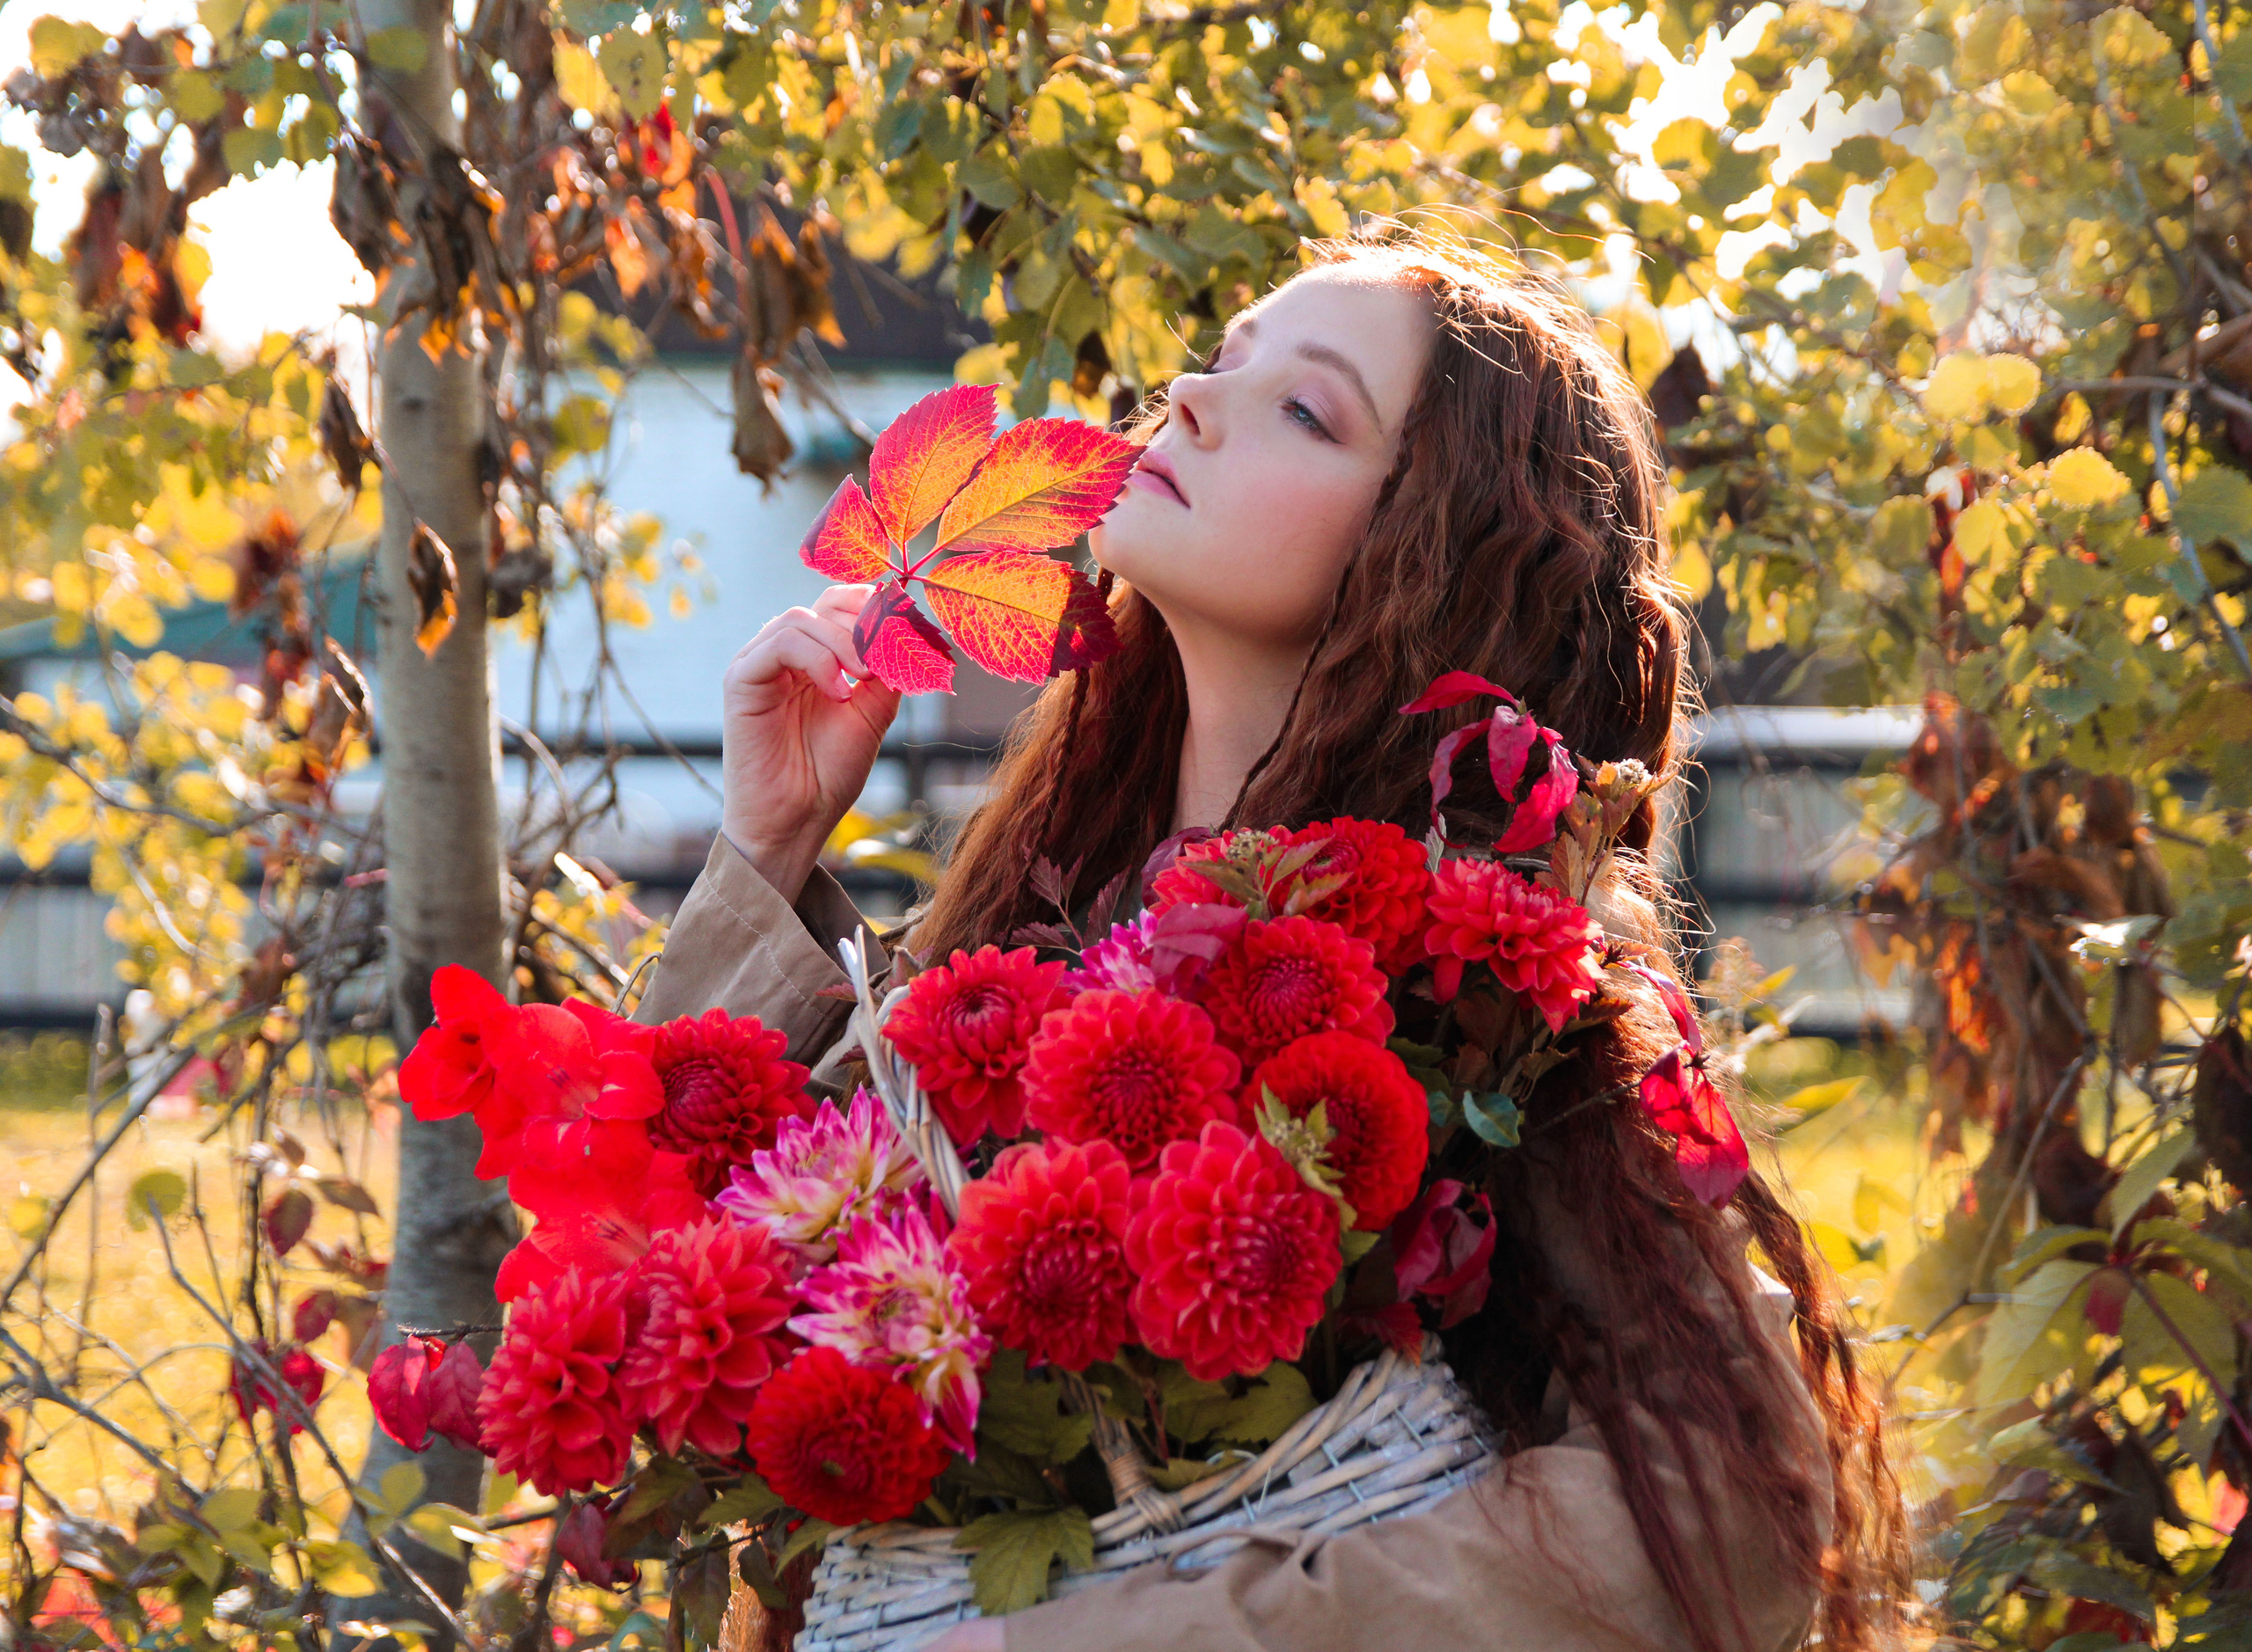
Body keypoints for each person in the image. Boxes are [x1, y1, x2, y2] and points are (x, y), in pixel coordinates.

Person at [637, 224, 1913, 1652]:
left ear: (1438, 553)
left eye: (1305, 408)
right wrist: (767, 844)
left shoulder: (1506, 987)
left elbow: (1742, 1499)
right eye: (1222, 357)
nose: (1187, 397)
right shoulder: (1037, 919)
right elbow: (685, 1307)